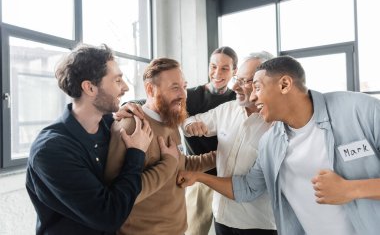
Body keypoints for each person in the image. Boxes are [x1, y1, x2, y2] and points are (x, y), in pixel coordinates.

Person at [177, 55, 380, 235]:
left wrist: (351, 189)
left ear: (284, 84)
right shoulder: (271, 142)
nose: (253, 96)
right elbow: (247, 187)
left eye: (256, 87)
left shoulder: (361, 111)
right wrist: (198, 177)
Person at [25, 44, 154, 235]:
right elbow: (109, 216)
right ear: (90, 87)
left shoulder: (109, 125)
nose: (125, 87)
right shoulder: (51, 150)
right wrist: (136, 153)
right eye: (117, 80)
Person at [121, 46, 238, 235]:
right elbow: (153, 100)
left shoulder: (236, 101)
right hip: (193, 178)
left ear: (235, 71)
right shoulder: (188, 96)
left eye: (225, 68)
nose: (217, 73)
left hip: (225, 174)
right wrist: (128, 106)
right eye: (213, 66)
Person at [104, 57, 217, 235]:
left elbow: (180, 163)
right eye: (174, 87)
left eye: (184, 86)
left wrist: (220, 156)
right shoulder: (130, 126)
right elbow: (120, 195)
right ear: (150, 89)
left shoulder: (170, 122)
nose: (183, 94)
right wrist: (168, 163)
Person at [182, 51, 277, 235]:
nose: (235, 86)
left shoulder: (277, 125)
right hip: (222, 217)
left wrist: (199, 176)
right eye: (237, 79)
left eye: (245, 81)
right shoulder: (227, 109)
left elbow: (250, 186)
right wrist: (191, 125)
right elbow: (190, 121)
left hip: (257, 224)